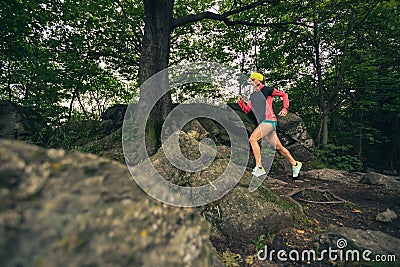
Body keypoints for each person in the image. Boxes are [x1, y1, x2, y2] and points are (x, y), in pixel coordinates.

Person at [237, 72, 302, 178]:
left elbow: (284, 95)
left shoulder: (267, 90)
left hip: (269, 120)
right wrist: (241, 103)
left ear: (259, 80)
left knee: (252, 139)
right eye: (251, 80)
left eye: (253, 80)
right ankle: (295, 164)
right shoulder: (252, 96)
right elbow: (248, 110)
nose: (251, 82)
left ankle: (259, 167)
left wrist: (285, 108)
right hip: (263, 123)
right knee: (278, 147)